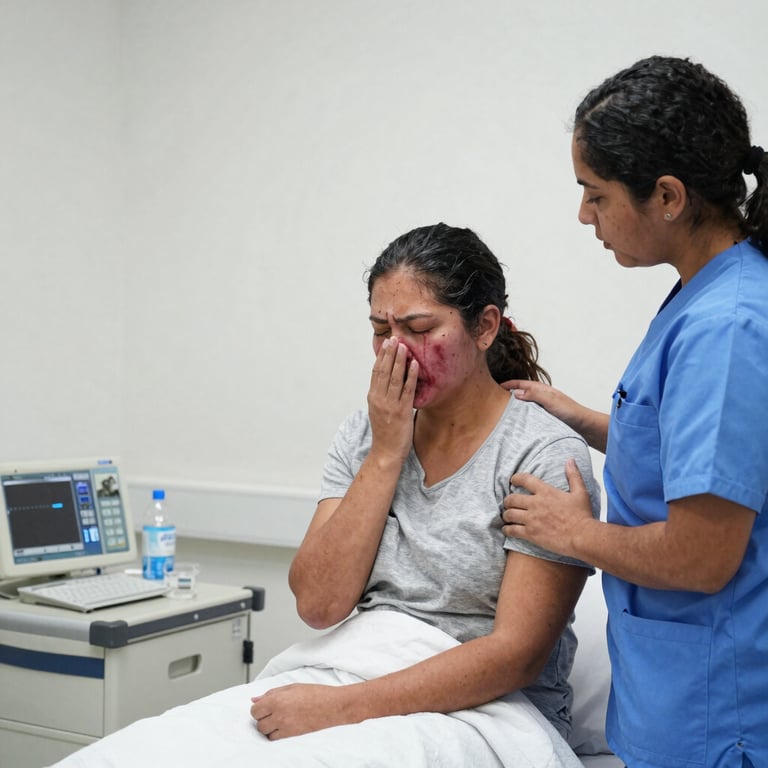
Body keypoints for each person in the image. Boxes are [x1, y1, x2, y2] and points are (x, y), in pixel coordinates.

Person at [500, 56, 768, 768]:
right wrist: (579, 416)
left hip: (721, 716)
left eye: (595, 194)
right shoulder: (704, 295)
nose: (584, 215)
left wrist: (574, 532)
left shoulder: (727, 326)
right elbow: (697, 458)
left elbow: (703, 555)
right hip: (675, 699)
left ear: (669, 196)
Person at [250, 222, 600, 745]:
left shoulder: (542, 454)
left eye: (418, 327)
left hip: (490, 711)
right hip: (356, 672)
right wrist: (386, 452)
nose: (397, 351)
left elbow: (516, 656)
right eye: (380, 331)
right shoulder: (365, 433)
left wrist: (343, 709)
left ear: (484, 327)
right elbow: (318, 605)